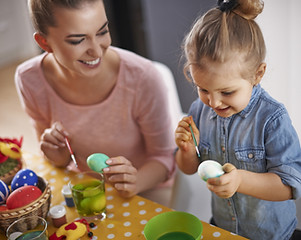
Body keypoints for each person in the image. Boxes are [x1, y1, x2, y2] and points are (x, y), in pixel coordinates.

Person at [15, 0, 176, 206]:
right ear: (44, 43)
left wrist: (135, 182)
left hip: (146, 190)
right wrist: (58, 156)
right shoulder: (29, 79)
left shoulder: (143, 78)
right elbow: (53, 159)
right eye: (77, 41)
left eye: (102, 32)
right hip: (86, 188)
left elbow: (165, 158)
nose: (97, 52)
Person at [175, 0, 301, 239]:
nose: (213, 103)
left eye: (226, 92)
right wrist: (187, 150)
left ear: (257, 74)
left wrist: (240, 180)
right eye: (202, 89)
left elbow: (290, 186)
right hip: (222, 228)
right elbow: (189, 168)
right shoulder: (199, 110)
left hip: (271, 234)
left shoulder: (272, 119)